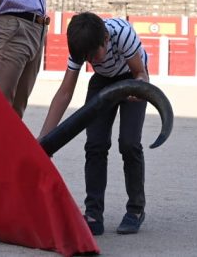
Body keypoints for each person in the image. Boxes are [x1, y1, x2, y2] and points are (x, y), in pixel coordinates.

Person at [38, 12, 150, 237]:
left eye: (93, 55)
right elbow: (65, 93)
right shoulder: (82, 47)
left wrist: (139, 88)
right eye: (85, 57)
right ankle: (93, 213)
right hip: (101, 83)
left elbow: (141, 73)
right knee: (95, 145)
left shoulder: (122, 35)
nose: (90, 60)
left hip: (132, 78)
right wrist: (43, 141)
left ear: (106, 40)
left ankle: (136, 210)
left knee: (129, 143)